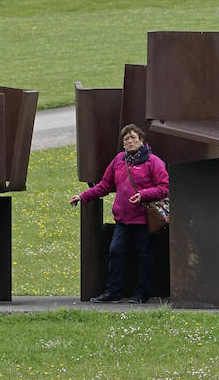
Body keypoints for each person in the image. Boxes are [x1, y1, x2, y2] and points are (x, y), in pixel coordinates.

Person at [69, 124, 169, 303]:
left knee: (144, 256)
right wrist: (83, 196)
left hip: (145, 220)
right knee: (115, 252)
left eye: (133, 137)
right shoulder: (118, 160)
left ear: (141, 140)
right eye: (126, 139)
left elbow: (164, 188)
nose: (130, 141)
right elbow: (105, 185)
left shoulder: (154, 162)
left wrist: (143, 195)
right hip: (123, 219)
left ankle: (142, 294)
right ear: (123, 143)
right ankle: (113, 292)